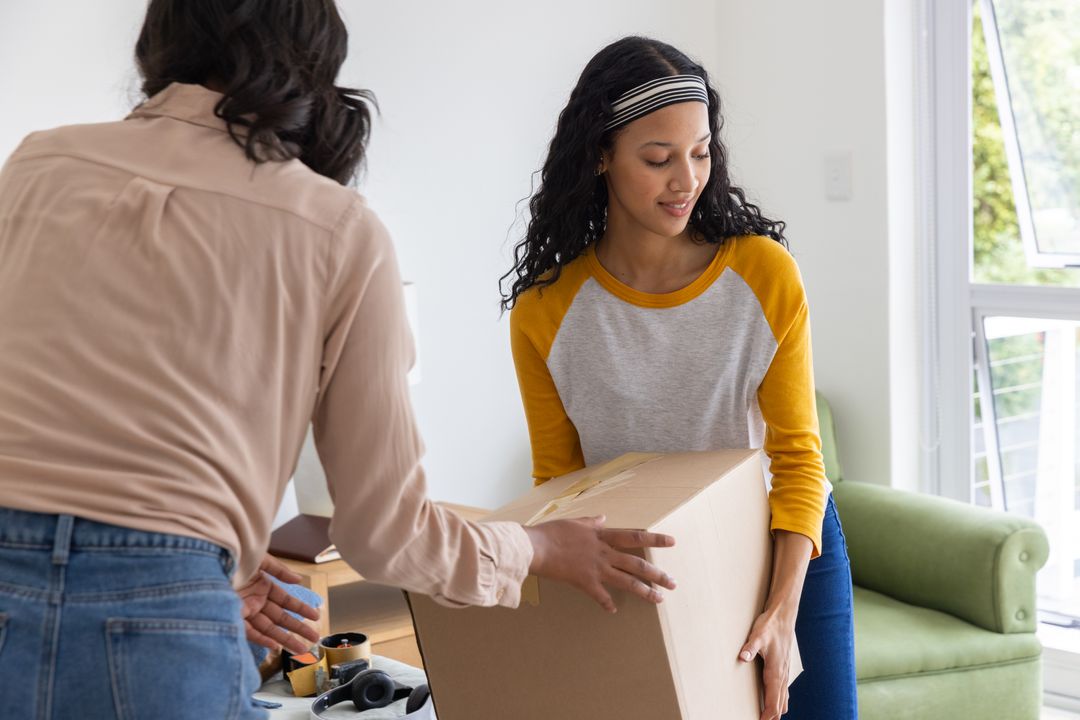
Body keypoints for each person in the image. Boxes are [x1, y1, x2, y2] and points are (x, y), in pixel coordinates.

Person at [0, 4, 676, 718]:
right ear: (313, 61)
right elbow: (388, 533)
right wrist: (535, 550)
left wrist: (215, 564)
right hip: (161, 630)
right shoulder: (336, 229)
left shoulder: (35, 167)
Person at [503, 36, 857, 720]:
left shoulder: (763, 274)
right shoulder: (545, 312)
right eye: (658, 158)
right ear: (600, 156)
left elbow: (797, 459)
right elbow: (559, 485)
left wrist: (782, 616)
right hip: (648, 567)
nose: (686, 180)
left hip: (784, 548)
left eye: (700, 153)